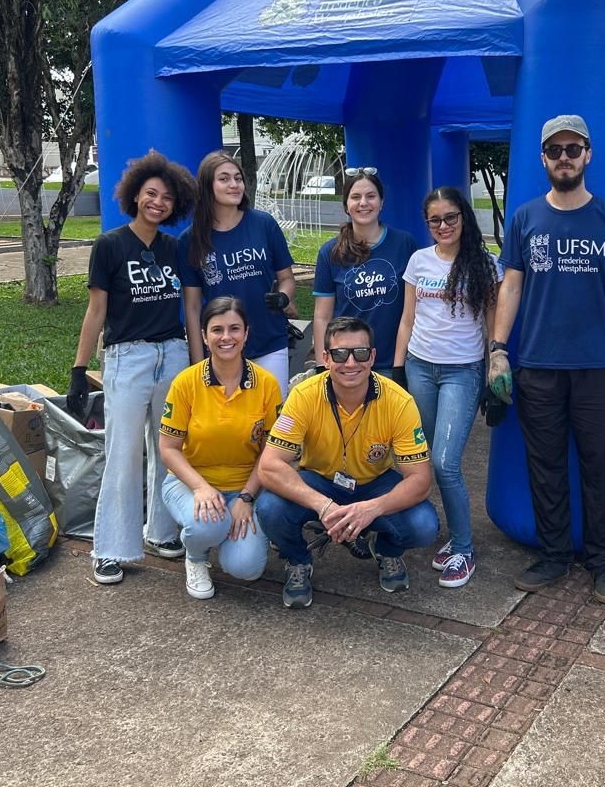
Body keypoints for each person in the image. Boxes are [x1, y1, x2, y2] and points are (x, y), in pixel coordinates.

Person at [488, 114, 605, 606]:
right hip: (536, 363)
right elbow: (510, 287)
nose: (563, 158)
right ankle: (554, 554)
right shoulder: (526, 218)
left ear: (587, 155)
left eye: (572, 149)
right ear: (543, 159)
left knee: (601, 464)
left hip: (599, 365)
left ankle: (602, 562)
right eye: (554, 150)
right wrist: (497, 352)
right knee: (545, 463)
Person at [69, 150, 198, 585]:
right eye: (150, 194)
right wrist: (78, 368)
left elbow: (190, 306)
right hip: (128, 357)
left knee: (168, 450)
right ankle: (110, 548)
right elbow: (96, 311)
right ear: (135, 195)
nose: (157, 203)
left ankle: (161, 532)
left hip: (173, 355)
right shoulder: (109, 245)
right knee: (122, 454)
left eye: (166, 197)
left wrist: (197, 362)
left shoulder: (173, 249)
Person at [256, 316, 439, 609]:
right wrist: (323, 505)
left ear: (373, 357)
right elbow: (269, 466)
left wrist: (372, 508)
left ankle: (386, 549)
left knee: (424, 525)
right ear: (325, 358)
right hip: (319, 479)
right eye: (340, 354)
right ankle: (298, 560)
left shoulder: (399, 401)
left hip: (373, 485)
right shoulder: (304, 395)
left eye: (361, 353)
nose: (351, 363)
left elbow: (420, 480)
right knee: (268, 507)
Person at [394, 186, 501, 588]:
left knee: (446, 462)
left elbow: (493, 325)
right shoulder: (419, 260)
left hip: (463, 371)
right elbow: (408, 319)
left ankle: (464, 548)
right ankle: (448, 535)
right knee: (420, 456)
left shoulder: (485, 265)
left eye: (450, 218)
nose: (443, 226)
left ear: (464, 218)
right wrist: (400, 369)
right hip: (420, 367)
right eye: (434, 220)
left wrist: (494, 371)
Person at [158, 296, 281, 600]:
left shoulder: (266, 384)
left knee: (246, 568)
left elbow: (272, 452)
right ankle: (196, 557)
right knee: (209, 524)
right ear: (204, 336)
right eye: (217, 330)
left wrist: (247, 498)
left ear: (246, 333)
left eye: (234, 329)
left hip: (244, 487)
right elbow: (168, 448)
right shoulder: (186, 383)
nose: (226, 337)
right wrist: (200, 488)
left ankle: (225, 532)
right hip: (190, 483)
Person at [178, 151, 297, 394]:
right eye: (224, 179)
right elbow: (191, 307)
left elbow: (286, 279)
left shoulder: (264, 224)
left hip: (269, 341)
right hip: (222, 346)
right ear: (207, 186)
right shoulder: (190, 240)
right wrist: (199, 360)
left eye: (238, 178)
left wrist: (283, 297)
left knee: (271, 424)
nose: (234, 184)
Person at [313, 168, 417, 374]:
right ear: (346, 206)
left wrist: (399, 367)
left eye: (371, 196)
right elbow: (322, 316)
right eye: (355, 197)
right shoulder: (330, 252)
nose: (363, 203)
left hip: (395, 363)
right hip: (348, 365)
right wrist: (321, 365)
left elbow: (414, 310)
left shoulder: (405, 244)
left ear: (382, 202)